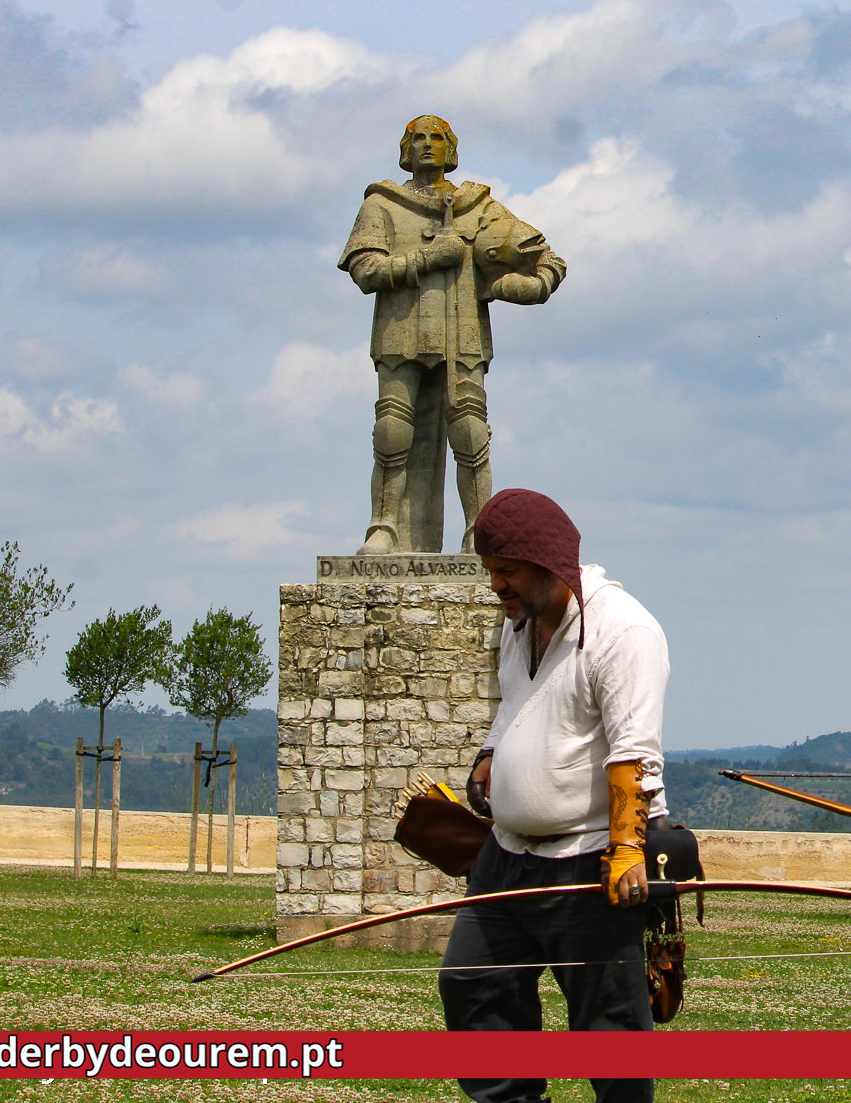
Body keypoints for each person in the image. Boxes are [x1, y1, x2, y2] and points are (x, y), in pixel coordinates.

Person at [437, 488, 668, 1103]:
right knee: (473, 984)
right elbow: (514, 706)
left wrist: (626, 851)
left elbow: (633, 753)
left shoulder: (624, 631)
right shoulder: (518, 622)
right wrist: (491, 756)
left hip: (590, 860)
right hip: (505, 859)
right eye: (490, 572)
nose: (496, 586)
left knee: (608, 1027)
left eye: (506, 571)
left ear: (546, 564)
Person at [340, 116, 566, 554]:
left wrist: (518, 286)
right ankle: (383, 526)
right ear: (405, 150)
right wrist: (428, 257)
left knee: (469, 430)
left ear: (452, 150)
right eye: (418, 138)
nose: (427, 145)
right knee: (391, 427)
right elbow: (365, 270)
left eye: (437, 138)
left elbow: (548, 261)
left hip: (462, 333)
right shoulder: (382, 204)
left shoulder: (478, 207)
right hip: (401, 332)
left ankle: (478, 531)